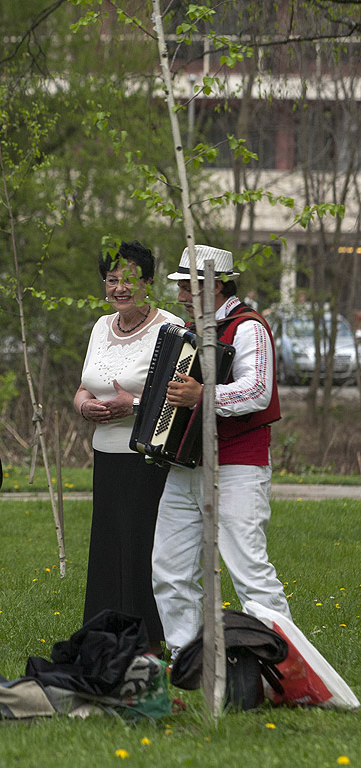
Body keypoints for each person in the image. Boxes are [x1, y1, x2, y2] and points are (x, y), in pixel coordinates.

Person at [151, 245, 292, 659]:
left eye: (185, 286)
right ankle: (188, 659)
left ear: (213, 285)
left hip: (238, 465)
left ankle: (285, 664)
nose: (178, 295)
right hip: (186, 463)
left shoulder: (248, 327)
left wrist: (202, 395)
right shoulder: (193, 330)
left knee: (249, 569)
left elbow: (257, 390)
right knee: (170, 569)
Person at [73, 241, 181, 653]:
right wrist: (84, 406)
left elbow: (178, 393)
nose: (120, 288)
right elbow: (84, 386)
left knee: (141, 547)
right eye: (112, 279)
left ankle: (151, 640)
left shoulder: (169, 329)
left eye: (130, 279)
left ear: (148, 282)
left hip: (147, 455)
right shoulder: (101, 327)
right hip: (106, 453)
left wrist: (131, 404)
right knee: (107, 546)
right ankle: (105, 636)